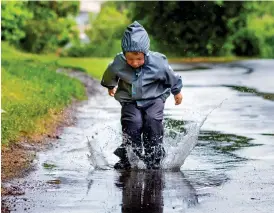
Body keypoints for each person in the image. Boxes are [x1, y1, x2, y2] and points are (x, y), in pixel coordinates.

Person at [101, 21, 183, 169]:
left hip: (154, 98)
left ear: (145, 53)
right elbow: (110, 73)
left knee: (152, 121)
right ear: (124, 53)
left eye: (139, 59)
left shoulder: (158, 62)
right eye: (130, 59)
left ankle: (154, 158)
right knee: (133, 123)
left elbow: (171, 75)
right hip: (130, 100)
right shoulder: (119, 62)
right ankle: (129, 158)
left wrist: (176, 91)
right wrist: (110, 85)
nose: (134, 63)